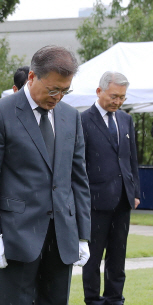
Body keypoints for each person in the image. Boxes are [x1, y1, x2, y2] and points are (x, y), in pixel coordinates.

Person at [0, 45, 91, 305]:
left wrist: (83, 234)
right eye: (52, 89)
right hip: (15, 237)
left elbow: (78, 179)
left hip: (61, 239)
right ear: (31, 77)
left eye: (64, 90)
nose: (58, 97)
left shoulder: (70, 117)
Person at [81, 72, 140, 305]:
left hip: (123, 200)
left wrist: (134, 191)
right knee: (93, 258)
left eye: (122, 98)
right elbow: (79, 163)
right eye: (114, 96)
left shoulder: (126, 120)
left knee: (118, 256)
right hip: (95, 201)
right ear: (99, 91)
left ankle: (115, 299)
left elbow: (131, 158)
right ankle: (93, 300)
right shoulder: (83, 120)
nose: (118, 102)